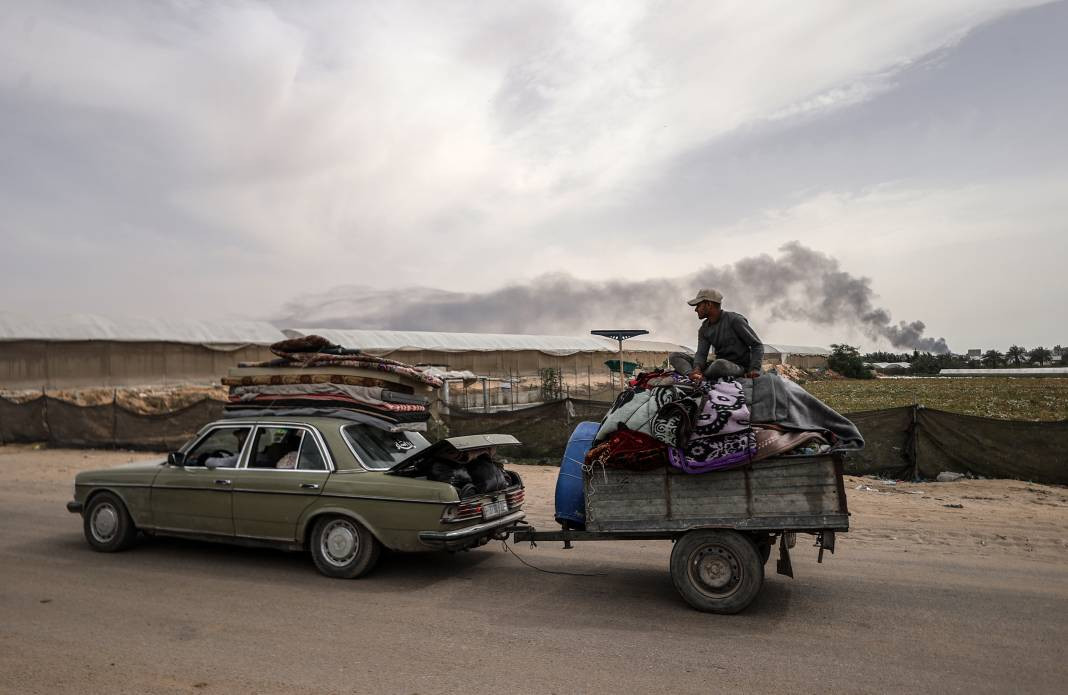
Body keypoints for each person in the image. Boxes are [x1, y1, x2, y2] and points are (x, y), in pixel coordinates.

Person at [669, 289, 764, 380]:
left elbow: (757, 345)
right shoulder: (704, 328)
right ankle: (693, 375)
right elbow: (701, 354)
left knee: (720, 365)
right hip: (716, 365)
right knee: (674, 356)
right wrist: (697, 368)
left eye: (698, 305)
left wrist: (754, 369)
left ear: (709, 304)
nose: (696, 309)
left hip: (737, 367)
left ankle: (704, 376)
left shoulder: (734, 320)